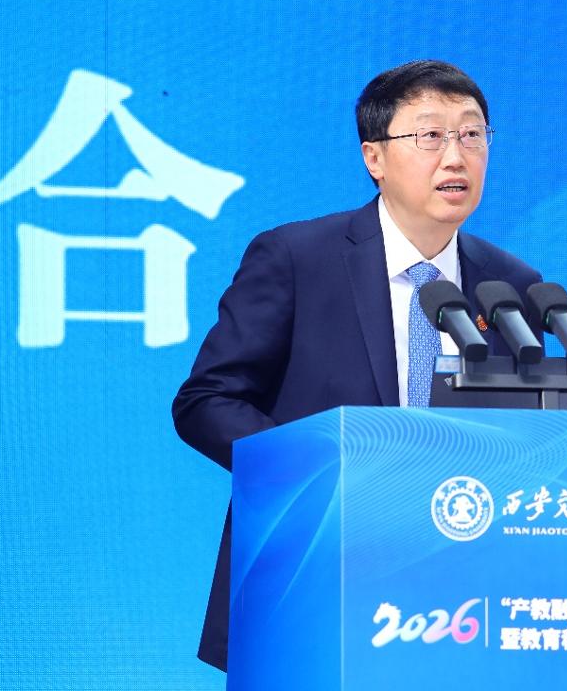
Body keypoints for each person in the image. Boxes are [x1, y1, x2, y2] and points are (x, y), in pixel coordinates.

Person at [172, 59, 542, 671]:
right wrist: (325, 470)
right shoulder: (297, 258)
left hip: (458, 594)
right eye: (431, 135)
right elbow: (206, 402)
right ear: (375, 157)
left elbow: (526, 435)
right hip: (311, 571)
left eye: (472, 135)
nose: (456, 157)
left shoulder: (511, 286)